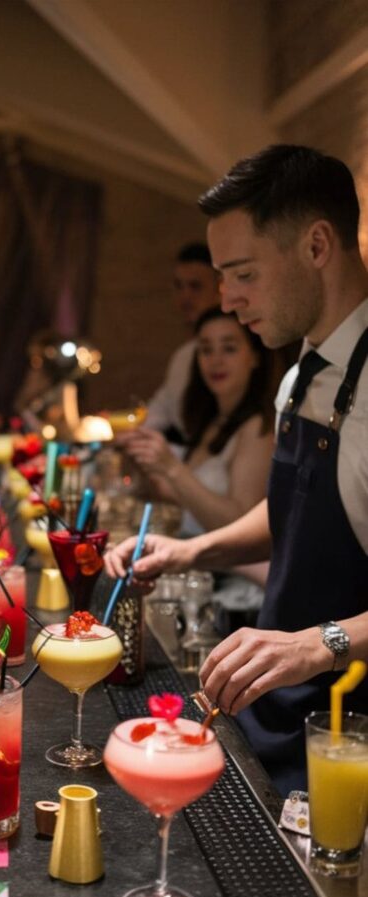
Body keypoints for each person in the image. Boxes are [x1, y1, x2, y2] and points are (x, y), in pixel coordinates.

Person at [105, 144, 368, 795]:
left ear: (314, 247)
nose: (224, 300)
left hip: (346, 740)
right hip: (276, 714)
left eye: (242, 274)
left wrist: (315, 643)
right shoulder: (301, 372)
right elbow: (297, 513)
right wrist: (190, 551)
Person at [123, 307, 278, 538]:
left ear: (255, 357)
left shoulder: (257, 427)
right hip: (185, 548)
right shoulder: (211, 419)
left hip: (224, 567)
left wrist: (172, 467)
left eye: (229, 348)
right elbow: (183, 500)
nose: (215, 360)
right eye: (206, 350)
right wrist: (142, 465)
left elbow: (240, 526)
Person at [143, 243, 221, 441]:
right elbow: (160, 409)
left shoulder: (244, 350)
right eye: (179, 286)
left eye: (195, 286)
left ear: (220, 288)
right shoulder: (184, 355)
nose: (185, 296)